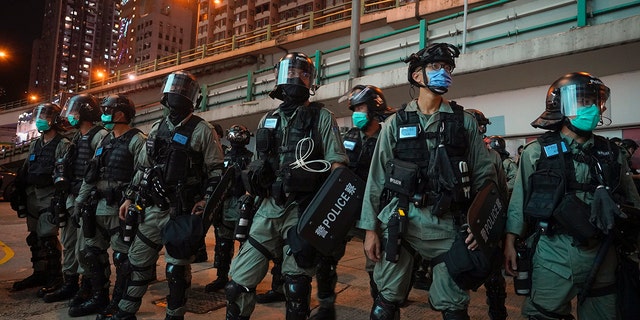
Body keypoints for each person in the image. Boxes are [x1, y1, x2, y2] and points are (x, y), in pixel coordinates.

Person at [359, 43, 498, 320]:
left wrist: (480, 226)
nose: (443, 73)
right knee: (384, 303)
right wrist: (370, 230)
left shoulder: (465, 122)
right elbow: (376, 179)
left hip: (447, 224)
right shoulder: (396, 123)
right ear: (417, 76)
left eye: (447, 68)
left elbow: (486, 179)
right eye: (435, 67)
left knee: (455, 307)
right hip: (401, 221)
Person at [503, 72, 640, 319]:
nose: (598, 108)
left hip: (604, 253)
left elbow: (632, 202)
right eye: (586, 101)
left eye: (598, 102)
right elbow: (519, 199)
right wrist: (511, 240)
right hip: (553, 252)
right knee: (543, 314)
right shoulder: (537, 152)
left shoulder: (612, 153)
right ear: (560, 105)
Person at [225, 52, 348, 320]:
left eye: (302, 72)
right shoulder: (267, 119)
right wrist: (248, 200)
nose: (294, 77)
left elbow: (337, 167)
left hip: (302, 210)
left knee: (296, 286)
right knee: (237, 285)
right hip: (268, 209)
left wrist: (326, 217)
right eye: (289, 72)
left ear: (311, 80)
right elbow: (258, 165)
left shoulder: (322, 118)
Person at [106, 70, 225, 320]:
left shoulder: (203, 130)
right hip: (152, 209)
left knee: (176, 270)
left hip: (182, 211)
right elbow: (143, 168)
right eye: (175, 88)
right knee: (136, 263)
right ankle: (126, 312)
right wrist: (130, 197)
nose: (177, 94)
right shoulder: (156, 128)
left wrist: (206, 201)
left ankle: (175, 314)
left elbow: (216, 171)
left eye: (184, 90)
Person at [309, 84, 395, 319]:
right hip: (344, 206)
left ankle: (380, 307)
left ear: (374, 108)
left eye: (361, 107)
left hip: (374, 210)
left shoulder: (388, 139)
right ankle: (326, 305)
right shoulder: (347, 137)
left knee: (376, 264)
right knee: (325, 257)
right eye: (354, 108)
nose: (357, 112)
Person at [67, 94, 146, 318]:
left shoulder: (137, 140)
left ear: (120, 114)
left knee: (122, 258)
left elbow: (143, 173)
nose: (103, 113)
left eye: (108, 109)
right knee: (92, 253)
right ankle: (98, 297)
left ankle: (118, 303)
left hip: (118, 208)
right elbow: (90, 174)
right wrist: (80, 202)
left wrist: (131, 198)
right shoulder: (106, 139)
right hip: (96, 206)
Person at [41, 94, 109, 305]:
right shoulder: (77, 137)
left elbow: (102, 171)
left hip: (88, 199)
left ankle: (88, 287)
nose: (70, 116)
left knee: (85, 248)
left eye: (75, 111)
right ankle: (70, 282)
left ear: (86, 112)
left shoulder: (101, 136)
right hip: (71, 196)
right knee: (69, 243)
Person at [10, 103, 71, 293]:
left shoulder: (63, 144)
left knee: (48, 238)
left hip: (49, 194)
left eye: (44, 116)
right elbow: (27, 167)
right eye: (39, 116)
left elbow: (64, 173)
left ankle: (55, 277)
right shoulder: (36, 143)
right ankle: (39, 273)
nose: (40, 120)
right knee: (34, 237)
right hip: (33, 195)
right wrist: (18, 189)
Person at [466, 109, 509, 320]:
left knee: (494, 277)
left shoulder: (493, 156)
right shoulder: (454, 152)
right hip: (461, 223)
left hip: (489, 220)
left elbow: (500, 189)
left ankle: (498, 312)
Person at [204, 124, 254, 293]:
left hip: (243, 202)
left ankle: (241, 277)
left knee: (244, 242)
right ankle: (221, 276)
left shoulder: (251, 157)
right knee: (223, 243)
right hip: (224, 203)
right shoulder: (222, 156)